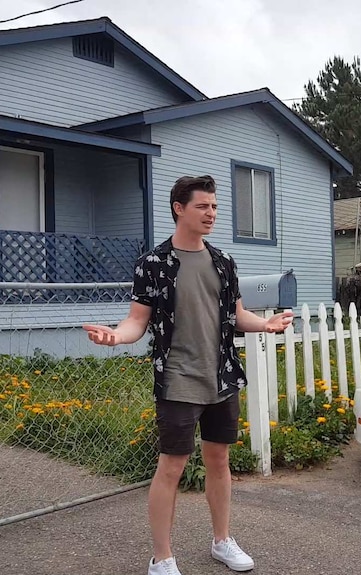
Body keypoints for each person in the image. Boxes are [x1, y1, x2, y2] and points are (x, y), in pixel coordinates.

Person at [83, 175, 293, 575]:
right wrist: (115, 337)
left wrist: (266, 325)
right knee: (172, 467)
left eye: (214, 207)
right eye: (203, 206)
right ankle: (161, 559)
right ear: (180, 209)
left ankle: (222, 541)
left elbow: (237, 316)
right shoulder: (153, 264)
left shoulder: (224, 262)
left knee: (219, 460)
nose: (211, 213)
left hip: (221, 377)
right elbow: (136, 322)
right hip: (178, 379)